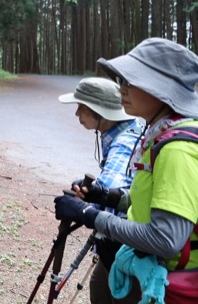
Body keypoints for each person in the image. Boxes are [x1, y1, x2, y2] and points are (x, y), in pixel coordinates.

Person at [54, 38, 198, 302]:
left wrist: (89, 215)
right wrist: (106, 196)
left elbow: (165, 239)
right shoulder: (159, 133)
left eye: (131, 81)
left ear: (162, 88)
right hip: (148, 269)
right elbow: (150, 200)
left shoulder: (177, 148)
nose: (121, 89)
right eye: (122, 81)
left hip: (166, 282)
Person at [59, 77, 143, 303]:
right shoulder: (128, 130)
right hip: (124, 246)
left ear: (100, 111)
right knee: (98, 284)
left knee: (108, 292)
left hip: (128, 248)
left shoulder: (123, 142)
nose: (77, 114)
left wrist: (83, 206)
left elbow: (112, 196)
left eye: (82, 108)